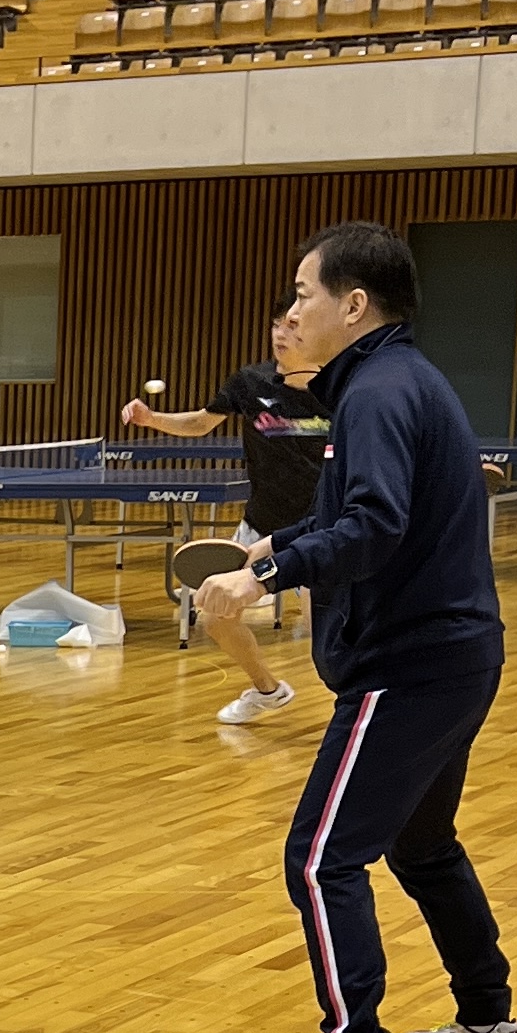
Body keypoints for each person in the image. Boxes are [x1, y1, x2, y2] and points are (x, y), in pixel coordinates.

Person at [197, 221, 517, 1033]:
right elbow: (352, 510)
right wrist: (274, 541)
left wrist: (263, 577)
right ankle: (487, 1023)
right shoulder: (396, 381)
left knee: (319, 858)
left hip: (408, 666)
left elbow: (375, 526)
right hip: (456, 658)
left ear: (353, 305)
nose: (292, 311)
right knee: (422, 846)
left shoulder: (377, 393)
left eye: (304, 294)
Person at [121, 294, 328, 724]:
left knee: (323, 634)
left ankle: (364, 714)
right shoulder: (251, 384)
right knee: (214, 613)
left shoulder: (342, 391)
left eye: (291, 326)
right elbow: (202, 421)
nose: (280, 334)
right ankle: (267, 690)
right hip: (261, 525)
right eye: (276, 325)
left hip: (320, 529)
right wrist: (152, 418)